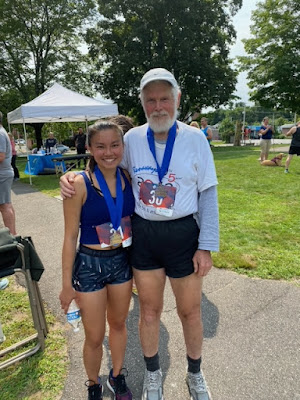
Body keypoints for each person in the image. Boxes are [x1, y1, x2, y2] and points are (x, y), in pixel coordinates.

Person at [60, 68, 219, 400]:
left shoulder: (195, 139)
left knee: (190, 310)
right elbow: (106, 162)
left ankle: (195, 373)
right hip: (144, 234)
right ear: (143, 105)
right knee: (148, 311)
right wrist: (71, 176)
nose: (158, 106)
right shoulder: (132, 139)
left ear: (176, 100)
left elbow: (209, 193)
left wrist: (206, 245)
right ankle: (152, 374)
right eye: (151, 100)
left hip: (183, 233)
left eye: (164, 99)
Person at [59, 120, 134, 400]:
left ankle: (117, 376)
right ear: (89, 148)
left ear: (123, 146)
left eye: (115, 144)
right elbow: (69, 238)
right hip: (89, 265)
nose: (108, 152)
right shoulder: (78, 184)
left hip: (120, 262)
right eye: (100, 146)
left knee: (118, 325)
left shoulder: (128, 177)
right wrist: (66, 284)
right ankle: (93, 384)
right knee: (93, 335)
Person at [0, 111, 16, 235]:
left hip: (3, 174)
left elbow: (1, 156)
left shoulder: (0, 133)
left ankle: (11, 236)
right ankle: (12, 235)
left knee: (4, 205)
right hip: (4, 173)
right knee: (6, 205)